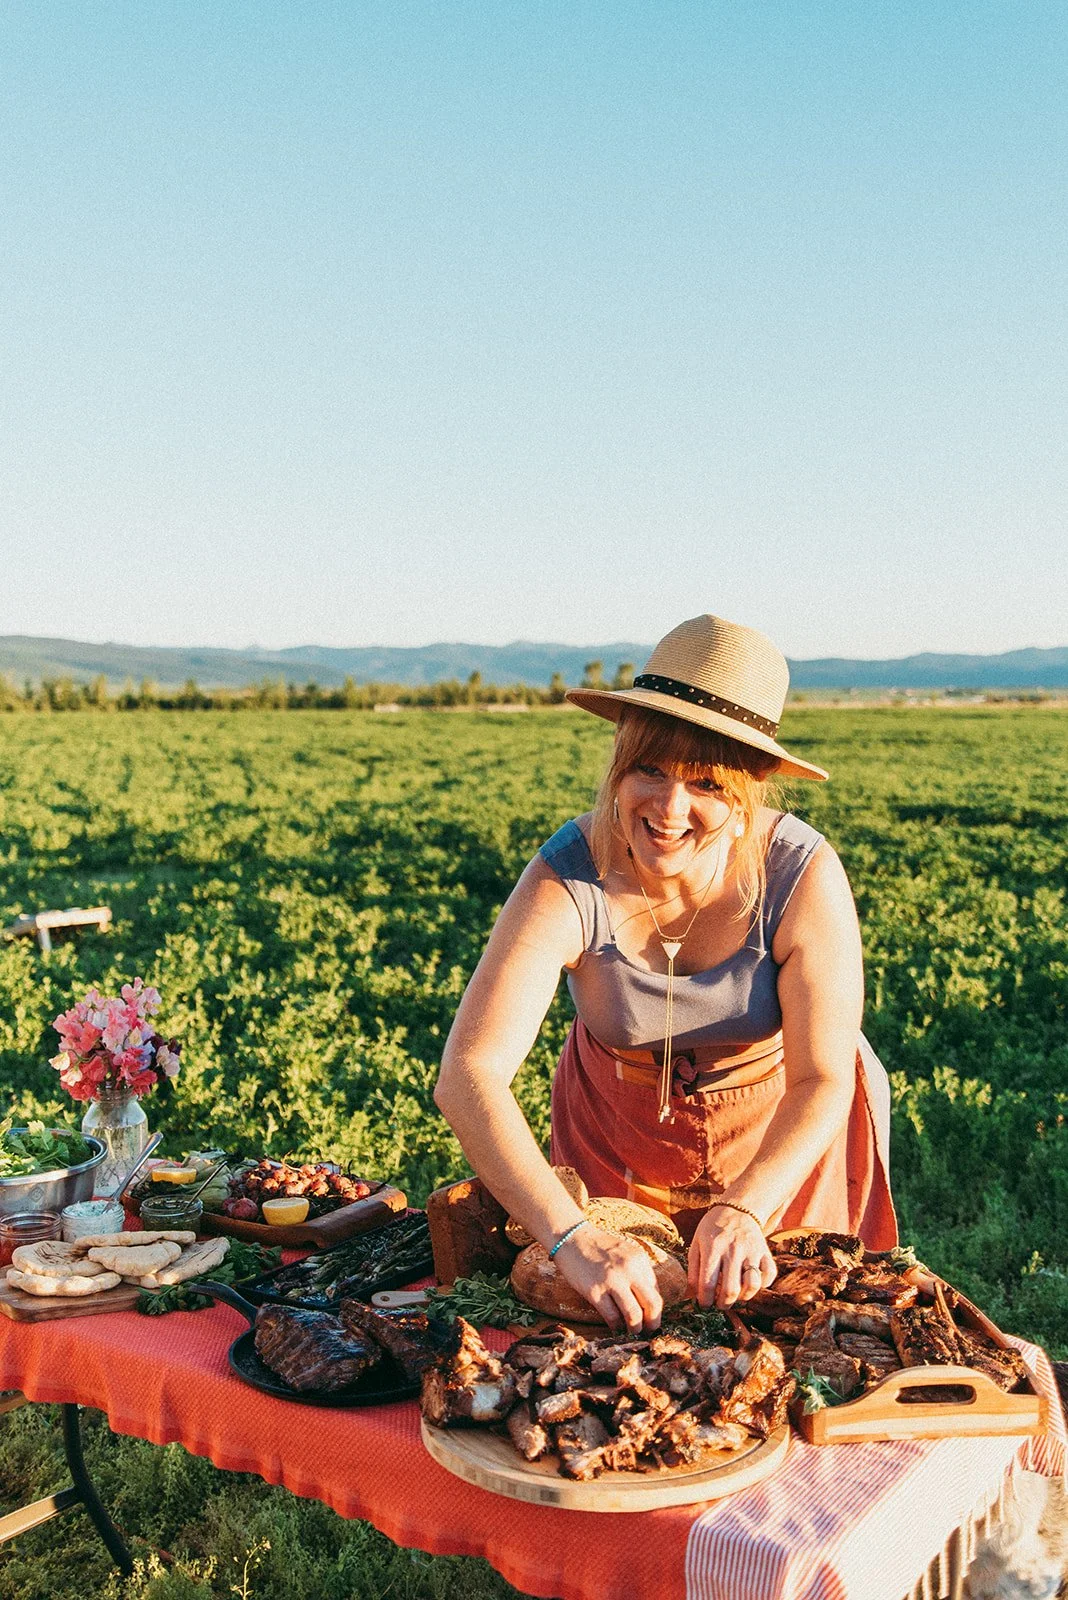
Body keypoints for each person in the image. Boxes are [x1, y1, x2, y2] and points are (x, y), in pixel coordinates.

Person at [434, 614, 896, 1333]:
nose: (669, 807)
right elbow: (468, 1074)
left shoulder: (801, 876)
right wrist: (571, 1236)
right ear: (618, 767)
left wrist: (746, 1206)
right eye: (649, 769)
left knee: (786, 1337)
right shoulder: (569, 874)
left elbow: (823, 1078)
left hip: (774, 1144)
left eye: (706, 782)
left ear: (747, 796)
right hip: (612, 1142)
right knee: (608, 1342)